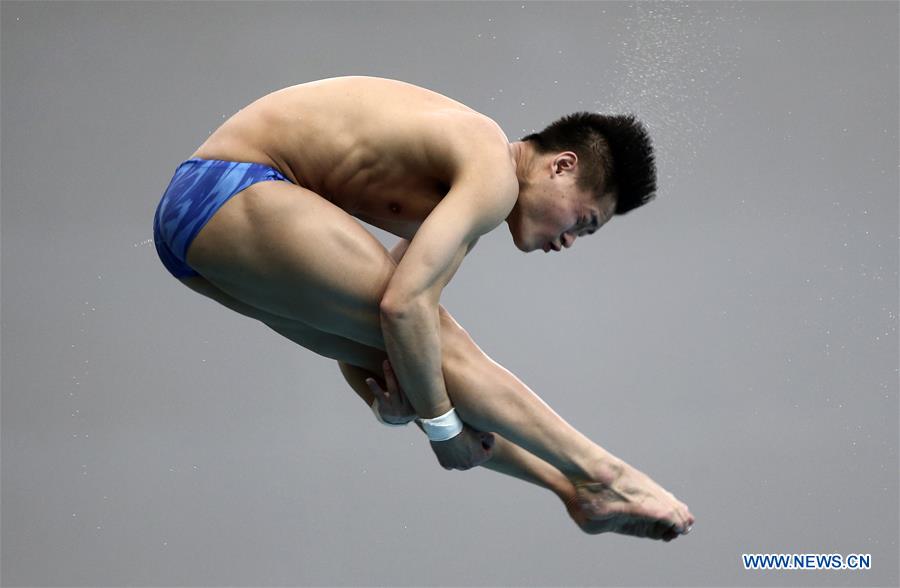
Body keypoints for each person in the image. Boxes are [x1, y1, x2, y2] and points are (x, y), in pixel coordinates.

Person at [153, 75, 695, 541]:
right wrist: (442, 431)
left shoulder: (464, 195)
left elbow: (369, 332)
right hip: (230, 186)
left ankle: (570, 488)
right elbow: (403, 308)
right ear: (561, 166)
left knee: (409, 350)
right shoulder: (490, 167)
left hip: (193, 231)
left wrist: (392, 409)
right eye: (584, 221)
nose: (571, 241)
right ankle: (605, 473)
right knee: (440, 338)